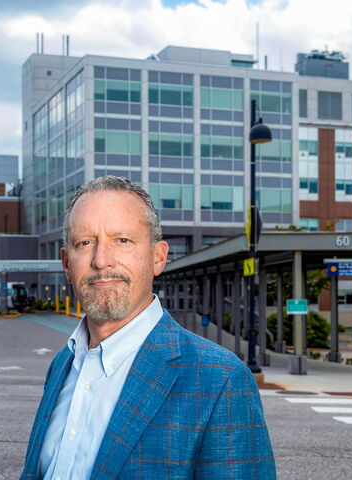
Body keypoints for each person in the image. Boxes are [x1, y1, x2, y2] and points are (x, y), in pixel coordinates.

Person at [20, 176, 276, 479]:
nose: (101, 261)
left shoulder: (220, 380)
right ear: (66, 263)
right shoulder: (63, 363)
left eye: (123, 240)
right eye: (84, 243)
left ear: (158, 257)